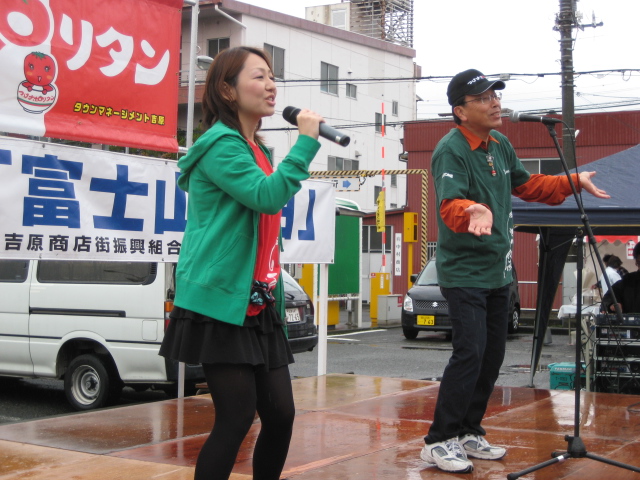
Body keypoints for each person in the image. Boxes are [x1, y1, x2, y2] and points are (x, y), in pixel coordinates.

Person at [420, 69, 610, 474]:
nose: (495, 102)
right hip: (464, 272)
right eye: (484, 97)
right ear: (460, 110)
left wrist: (573, 181)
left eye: (495, 94)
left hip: (498, 272)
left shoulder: (500, 144)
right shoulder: (450, 150)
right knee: (469, 352)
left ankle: (469, 429)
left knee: (492, 356)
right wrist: (471, 210)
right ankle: (439, 439)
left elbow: (529, 186)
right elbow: (449, 204)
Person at [159, 46, 323, 480]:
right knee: (234, 419)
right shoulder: (219, 145)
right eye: (258, 77)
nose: (271, 85)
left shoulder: (257, 148)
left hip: (257, 299)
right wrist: (306, 142)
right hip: (219, 300)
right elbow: (266, 195)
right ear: (227, 90)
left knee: (281, 415)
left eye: (272, 77)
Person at [602, 243, 640, 314]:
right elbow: (608, 297)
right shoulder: (628, 281)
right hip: (632, 324)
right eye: (639, 263)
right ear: (636, 262)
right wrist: (612, 305)